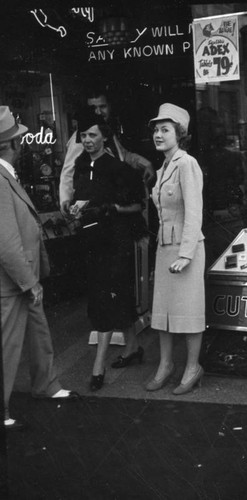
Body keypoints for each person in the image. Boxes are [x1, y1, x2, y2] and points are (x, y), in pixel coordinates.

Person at [0, 106, 79, 431]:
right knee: (7, 345)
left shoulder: (6, 175)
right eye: (19, 140)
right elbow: (6, 242)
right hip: (12, 281)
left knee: (38, 331)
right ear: (11, 146)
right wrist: (28, 281)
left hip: (23, 276)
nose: (23, 145)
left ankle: (46, 384)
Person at [70, 109, 147, 391]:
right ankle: (134, 349)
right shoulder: (80, 164)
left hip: (115, 242)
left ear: (105, 137)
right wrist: (75, 210)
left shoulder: (118, 169)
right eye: (83, 135)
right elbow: (82, 198)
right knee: (117, 296)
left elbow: (138, 205)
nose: (87, 140)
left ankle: (97, 367)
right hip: (91, 241)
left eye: (92, 135)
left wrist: (112, 208)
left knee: (104, 301)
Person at [146, 103, 205, 395]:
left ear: (179, 134)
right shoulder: (163, 168)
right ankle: (166, 365)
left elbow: (194, 212)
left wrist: (186, 253)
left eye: (165, 129)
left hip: (186, 248)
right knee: (164, 311)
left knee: (189, 311)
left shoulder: (186, 164)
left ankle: (192, 367)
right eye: (156, 130)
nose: (158, 134)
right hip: (165, 246)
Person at [59, 87, 155, 214]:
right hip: (101, 208)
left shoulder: (106, 132)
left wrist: (145, 163)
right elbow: (68, 172)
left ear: (109, 107)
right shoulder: (84, 136)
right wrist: (65, 200)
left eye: (102, 106)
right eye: (93, 108)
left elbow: (123, 155)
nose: (98, 112)